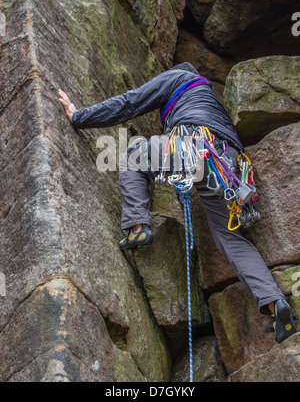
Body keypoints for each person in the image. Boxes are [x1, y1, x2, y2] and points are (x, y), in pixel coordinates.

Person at [58, 62, 297, 344]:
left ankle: (137, 226)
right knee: (230, 239)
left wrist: (79, 116)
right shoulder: (211, 102)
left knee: (133, 156)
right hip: (230, 165)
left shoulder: (178, 77)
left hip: (194, 145)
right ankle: (274, 303)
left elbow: (130, 102)